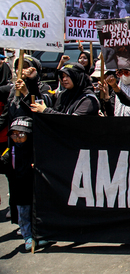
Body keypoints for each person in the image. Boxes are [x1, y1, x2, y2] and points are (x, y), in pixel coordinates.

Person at [0, 117, 51, 251]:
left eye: (21, 135)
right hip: (20, 190)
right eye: (14, 134)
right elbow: (3, 165)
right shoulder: (10, 151)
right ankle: (28, 237)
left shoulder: (37, 148)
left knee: (39, 213)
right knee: (24, 215)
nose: (17, 138)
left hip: (36, 188)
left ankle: (41, 235)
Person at [30, 63, 99, 116]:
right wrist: (32, 80)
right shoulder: (63, 94)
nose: (64, 79)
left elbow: (72, 121)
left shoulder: (89, 100)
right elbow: (41, 100)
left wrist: (46, 111)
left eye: (68, 76)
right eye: (63, 76)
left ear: (77, 77)